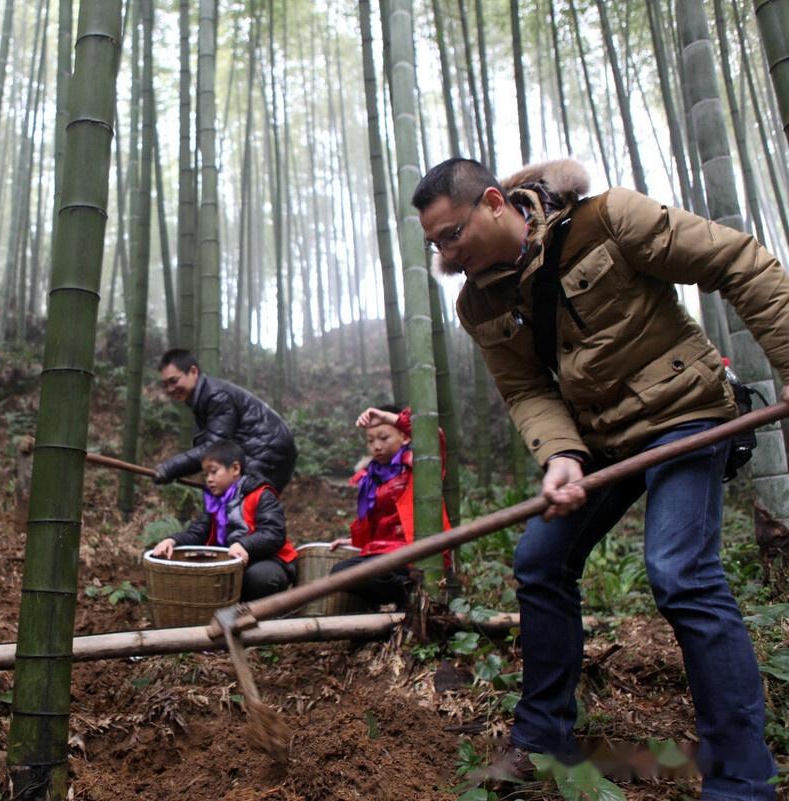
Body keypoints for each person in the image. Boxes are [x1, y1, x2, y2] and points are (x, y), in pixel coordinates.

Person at [413, 156, 789, 798]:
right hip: (602, 440)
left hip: (686, 414)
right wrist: (561, 456)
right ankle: (543, 739)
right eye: (434, 244)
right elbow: (527, 388)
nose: (447, 253)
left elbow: (739, 262)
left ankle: (743, 780)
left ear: (496, 203)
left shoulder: (607, 219)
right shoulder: (479, 303)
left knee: (679, 573)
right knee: (539, 560)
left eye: (453, 234)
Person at [329, 405, 450, 607]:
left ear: (405, 437)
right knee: (340, 573)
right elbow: (382, 523)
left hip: (414, 552)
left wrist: (388, 417)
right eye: (370, 440)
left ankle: (412, 589)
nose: (376, 446)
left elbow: (433, 435)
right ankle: (402, 598)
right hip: (383, 554)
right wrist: (354, 541)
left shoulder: (419, 465)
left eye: (384, 438)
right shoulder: (372, 476)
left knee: (346, 573)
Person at [150, 439, 298, 601]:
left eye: (213, 472)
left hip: (267, 559)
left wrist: (245, 545)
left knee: (260, 578)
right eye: (205, 474)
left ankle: (263, 617)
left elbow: (273, 533)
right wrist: (173, 541)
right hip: (229, 561)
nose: (208, 479)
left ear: (235, 468)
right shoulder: (215, 501)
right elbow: (198, 532)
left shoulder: (261, 494)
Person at [153, 349, 298, 492]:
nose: (170, 389)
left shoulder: (217, 396)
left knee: (245, 507)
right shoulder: (204, 398)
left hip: (267, 451)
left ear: (193, 372)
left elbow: (214, 447)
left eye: (174, 381)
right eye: (165, 385)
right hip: (258, 452)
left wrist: (169, 468)